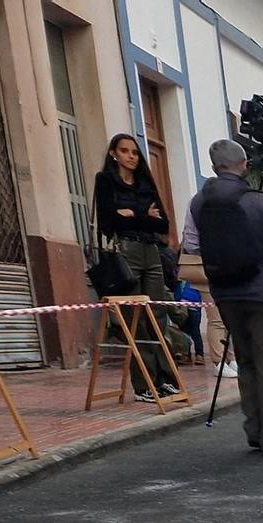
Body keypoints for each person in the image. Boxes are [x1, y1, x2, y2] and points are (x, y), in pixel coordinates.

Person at [182, 140, 263, 455]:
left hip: (226, 292)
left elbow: (192, 245)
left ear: (213, 167)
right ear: (244, 165)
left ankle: (254, 429)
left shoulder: (198, 202)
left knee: (247, 362)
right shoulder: (260, 201)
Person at [92, 134, 181, 395]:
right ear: (113, 154)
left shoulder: (145, 182)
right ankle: (145, 384)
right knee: (135, 321)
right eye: (125, 151)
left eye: (134, 152)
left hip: (151, 252)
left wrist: (134, 216)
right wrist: (145, 216)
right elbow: (109, 223)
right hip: (126, 252)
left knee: (157, 315)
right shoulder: (106, 181)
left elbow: (162, 224)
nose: (131, 156)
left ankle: (167, 378)